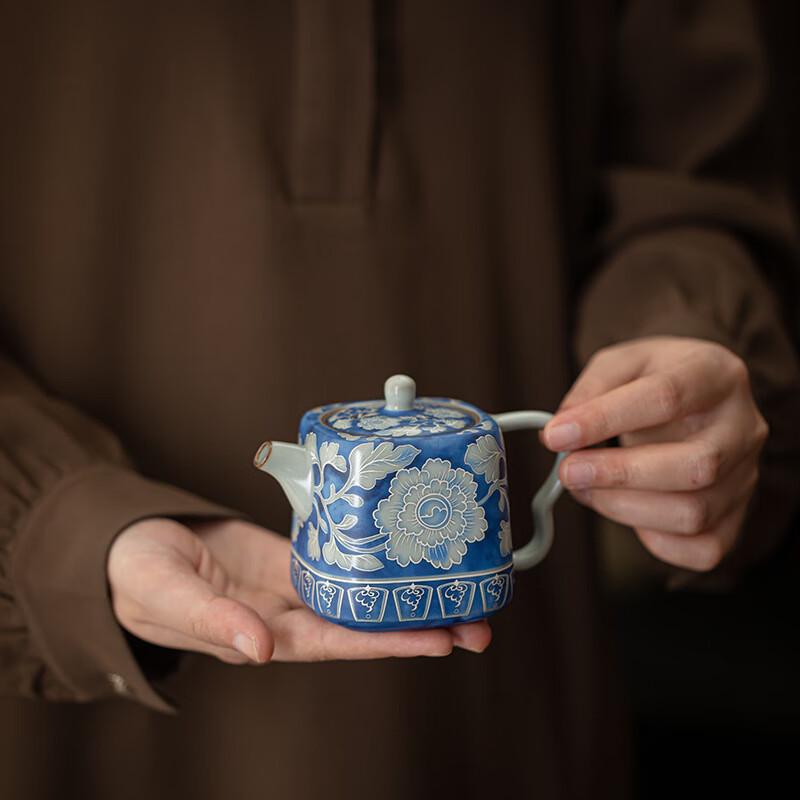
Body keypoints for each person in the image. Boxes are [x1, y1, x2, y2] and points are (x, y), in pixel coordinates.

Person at [1, 1, 799, 798]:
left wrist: (684, 345)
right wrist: (57, 526)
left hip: (506, 704)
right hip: (87, 707)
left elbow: (694, 178)